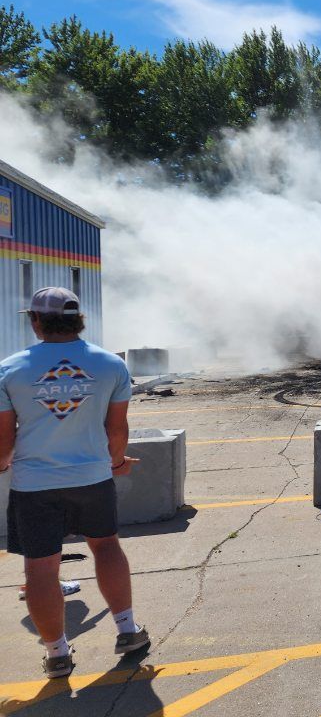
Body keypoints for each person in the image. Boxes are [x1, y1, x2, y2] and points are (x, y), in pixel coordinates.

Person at [0, 288, 149, 678]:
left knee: (41, 569)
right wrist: (116, 463)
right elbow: (117, 429)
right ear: (78, 319)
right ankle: (128, 630)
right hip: (92, 478)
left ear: (36, 321)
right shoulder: (110, 365)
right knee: (105, 546)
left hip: (34, 485)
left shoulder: (9, 369)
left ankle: (57, 654)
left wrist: (3, 467)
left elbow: (4, 442)